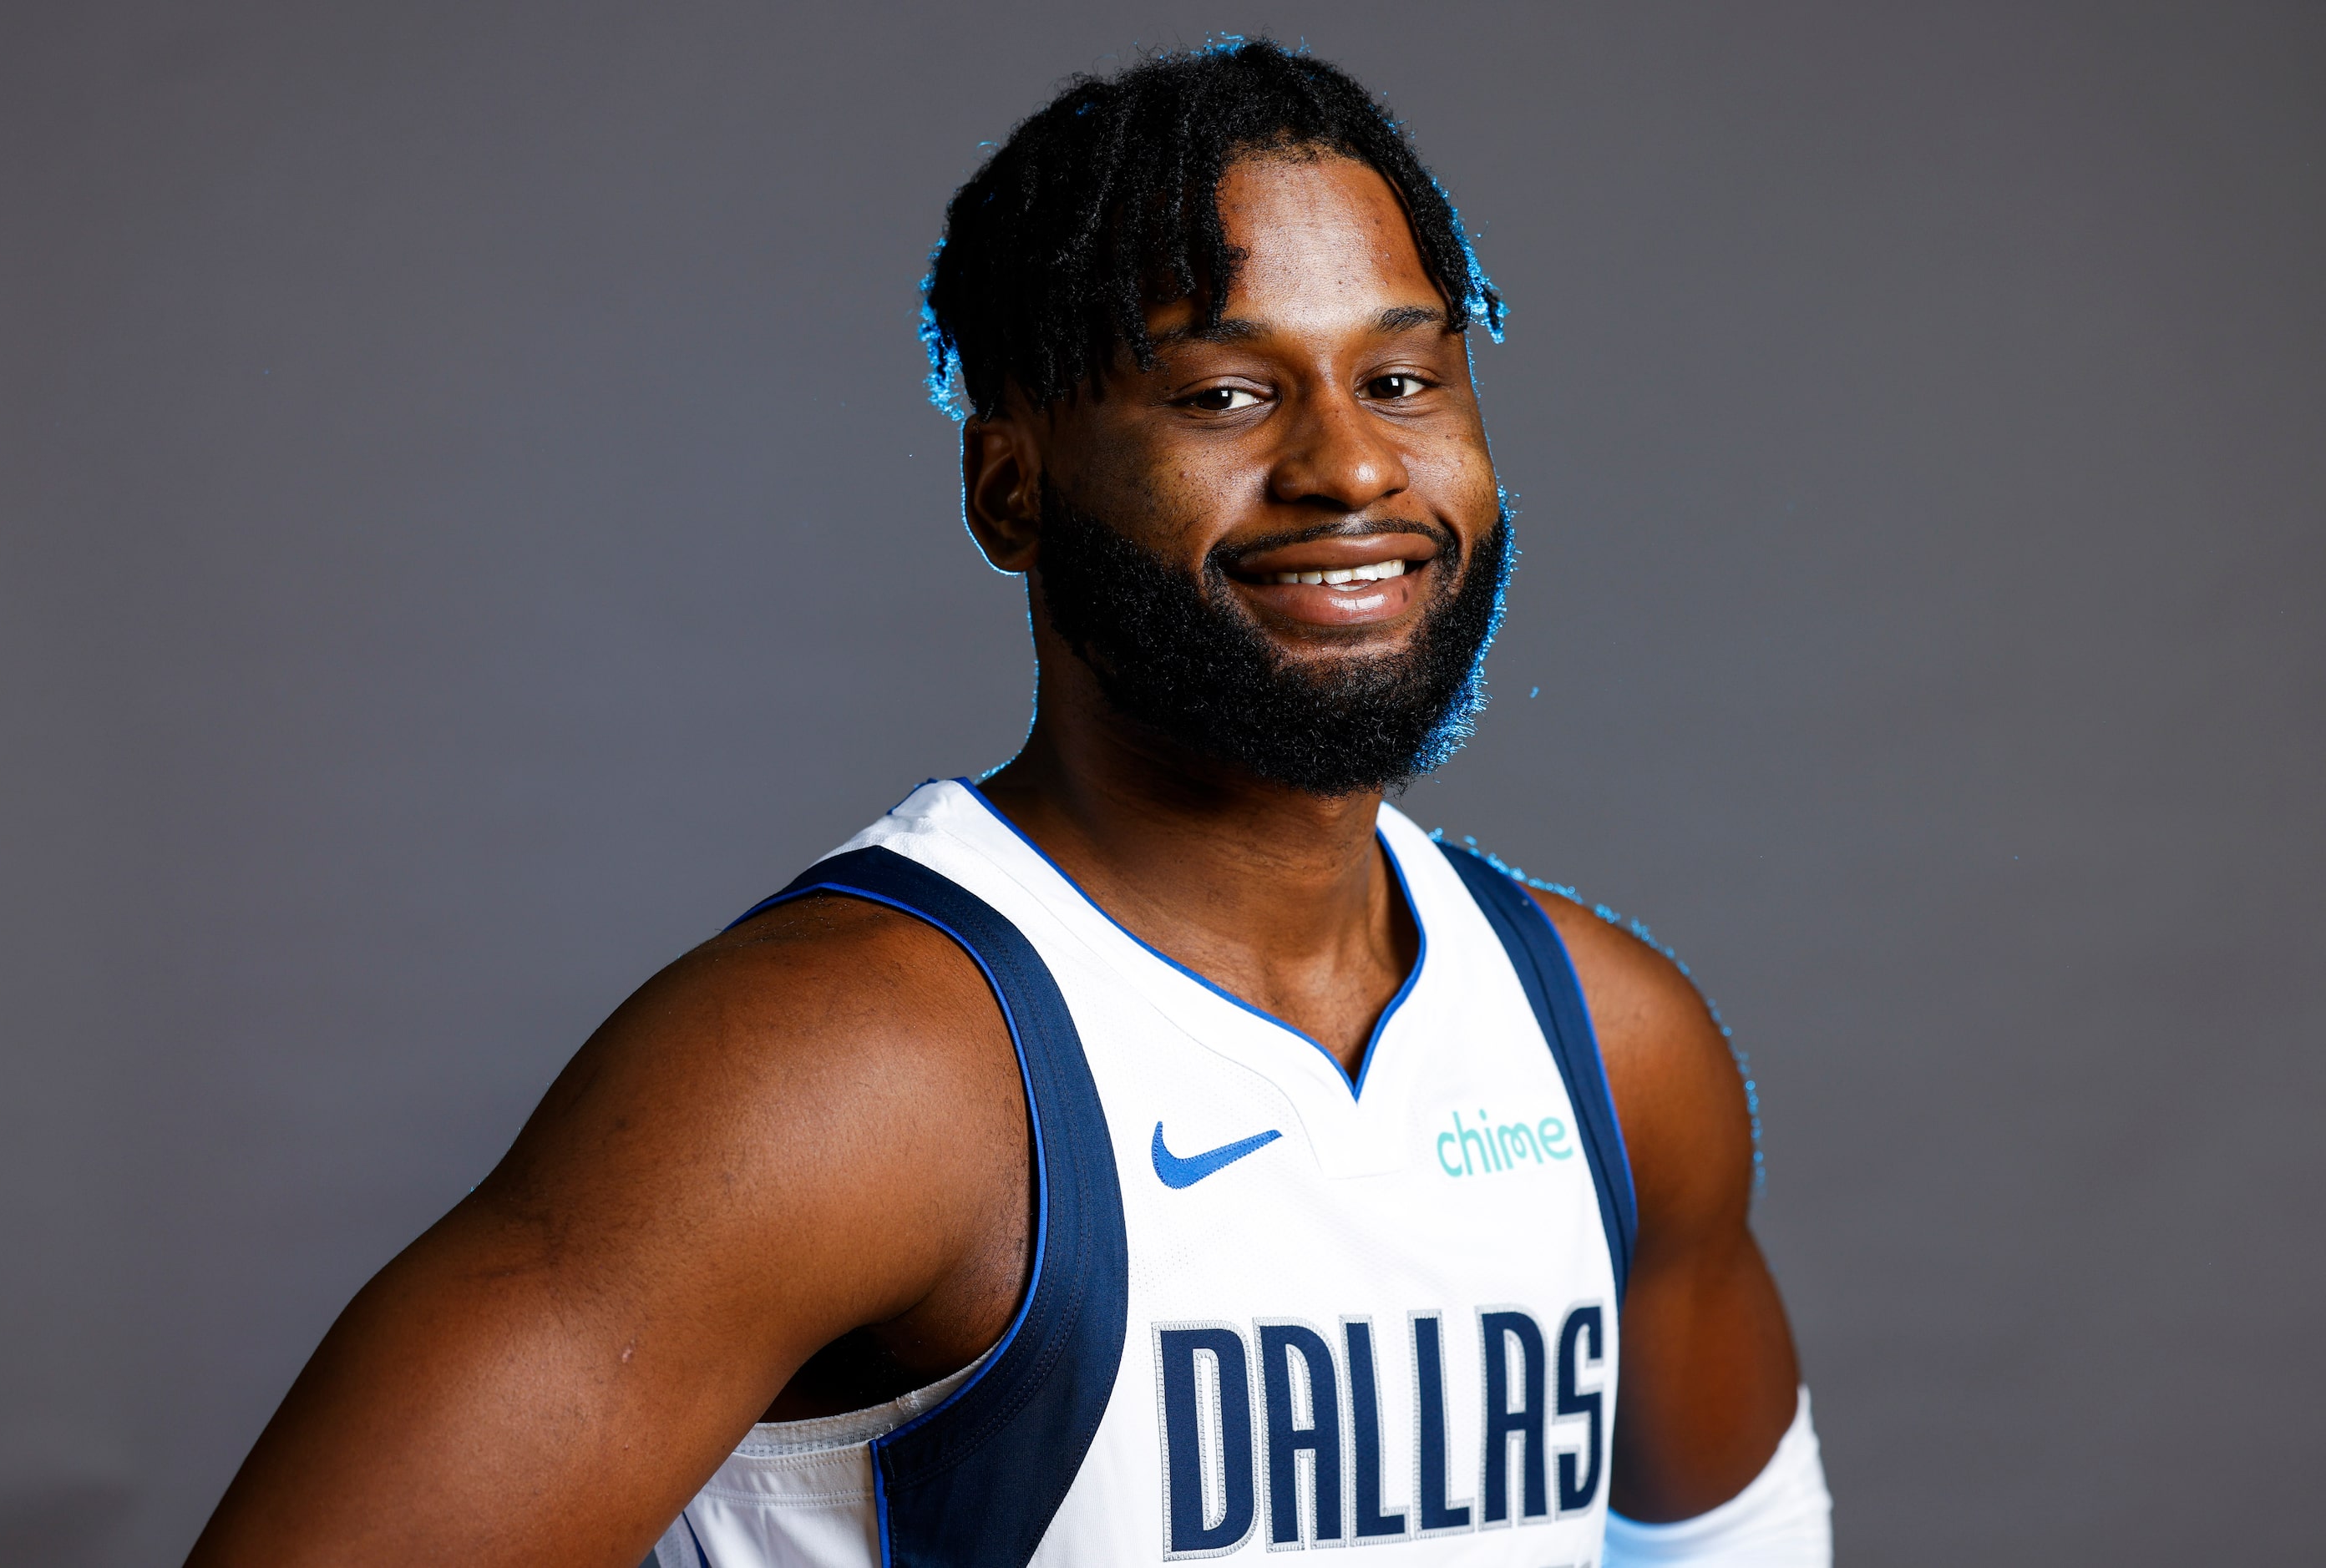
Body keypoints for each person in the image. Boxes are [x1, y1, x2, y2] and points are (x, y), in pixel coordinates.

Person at [187, 38, 1830, 1568]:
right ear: (1011, 489)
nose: (1348, 468)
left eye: (1401, 381)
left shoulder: (1610, 1050)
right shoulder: (841, 1075)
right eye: (1225, 397)